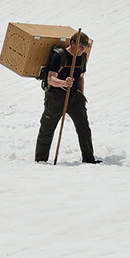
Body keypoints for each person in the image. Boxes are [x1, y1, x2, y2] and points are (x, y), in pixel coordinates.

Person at [34, 32, 98, 164]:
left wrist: (81, 94)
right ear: (72, 43)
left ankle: (89, 159)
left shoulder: (83, 57)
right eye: (80, 46)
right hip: (56, 96)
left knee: (84, 128)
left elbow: (80, 76)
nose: (82, 49)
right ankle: (40, 160)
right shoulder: (59, 56)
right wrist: (63, 83)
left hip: (75, 97)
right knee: (47, 128)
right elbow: (51, 78)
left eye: (85, 47)